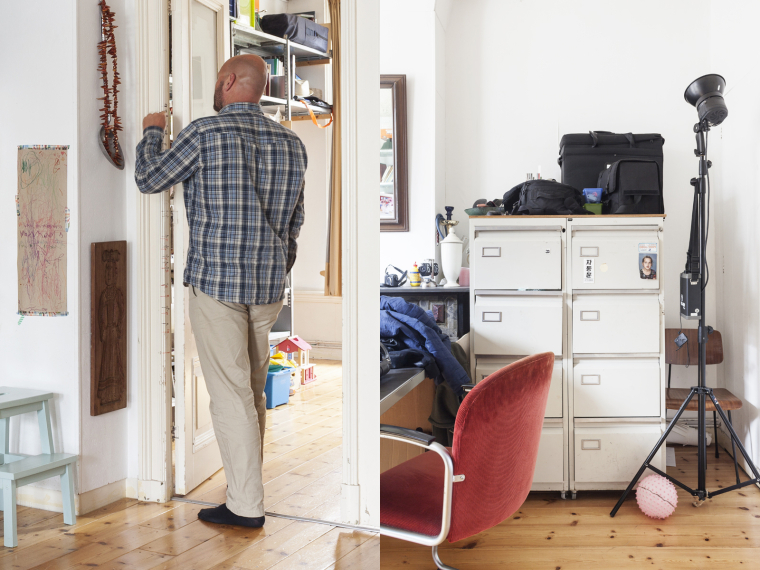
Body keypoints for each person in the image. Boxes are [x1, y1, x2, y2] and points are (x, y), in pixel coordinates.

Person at [134, 54, 307, 528]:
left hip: (218, 286)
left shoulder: (204, 133)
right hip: (268, 287)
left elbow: (150, 179)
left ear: (229, 81)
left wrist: (152, 130)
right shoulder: (292, 143)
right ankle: (243, 494)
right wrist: (277, 264)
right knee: (250, 393)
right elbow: (295, 222)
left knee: (232, 397)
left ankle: (247, 506)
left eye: (216, 79)